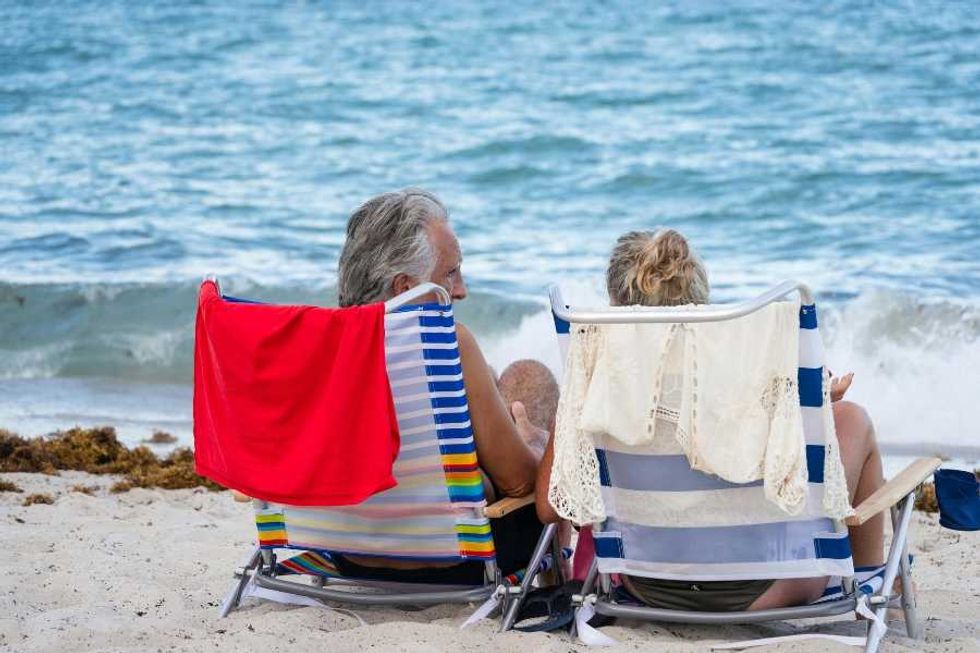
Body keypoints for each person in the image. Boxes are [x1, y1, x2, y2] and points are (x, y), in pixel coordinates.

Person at [535, 228, 885, 612]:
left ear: (616, 300)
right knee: (854, 419)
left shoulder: (596, 374)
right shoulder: (755, 360)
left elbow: (550, 508)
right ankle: (871, 575)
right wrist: (811, 414)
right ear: (700, 296)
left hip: (645, 583)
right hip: (772, 587)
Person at [335, 188, 554, 579]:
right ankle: (558, 576)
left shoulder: (316, 347)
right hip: (457, 557)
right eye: (450, 273)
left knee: (510, 376)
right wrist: (537, 442)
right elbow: (519, 482)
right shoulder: (449, 342)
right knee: (530, 378)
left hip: (347, 552)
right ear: (406, 288)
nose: (461, 290)